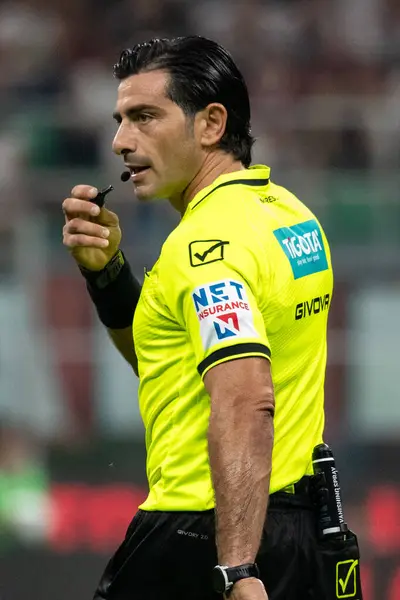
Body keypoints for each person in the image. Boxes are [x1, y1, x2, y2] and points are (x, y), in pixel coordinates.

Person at [62, 36, 334, 600]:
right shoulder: (291, 217)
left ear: (211, 123)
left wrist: (236, 570)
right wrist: (108, 276)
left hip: (201, 534)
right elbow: (183, 368)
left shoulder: (201, 248)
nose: (119, 142)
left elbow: (243, 397)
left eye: (144, 117)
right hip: (301, 531)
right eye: (120, 120)